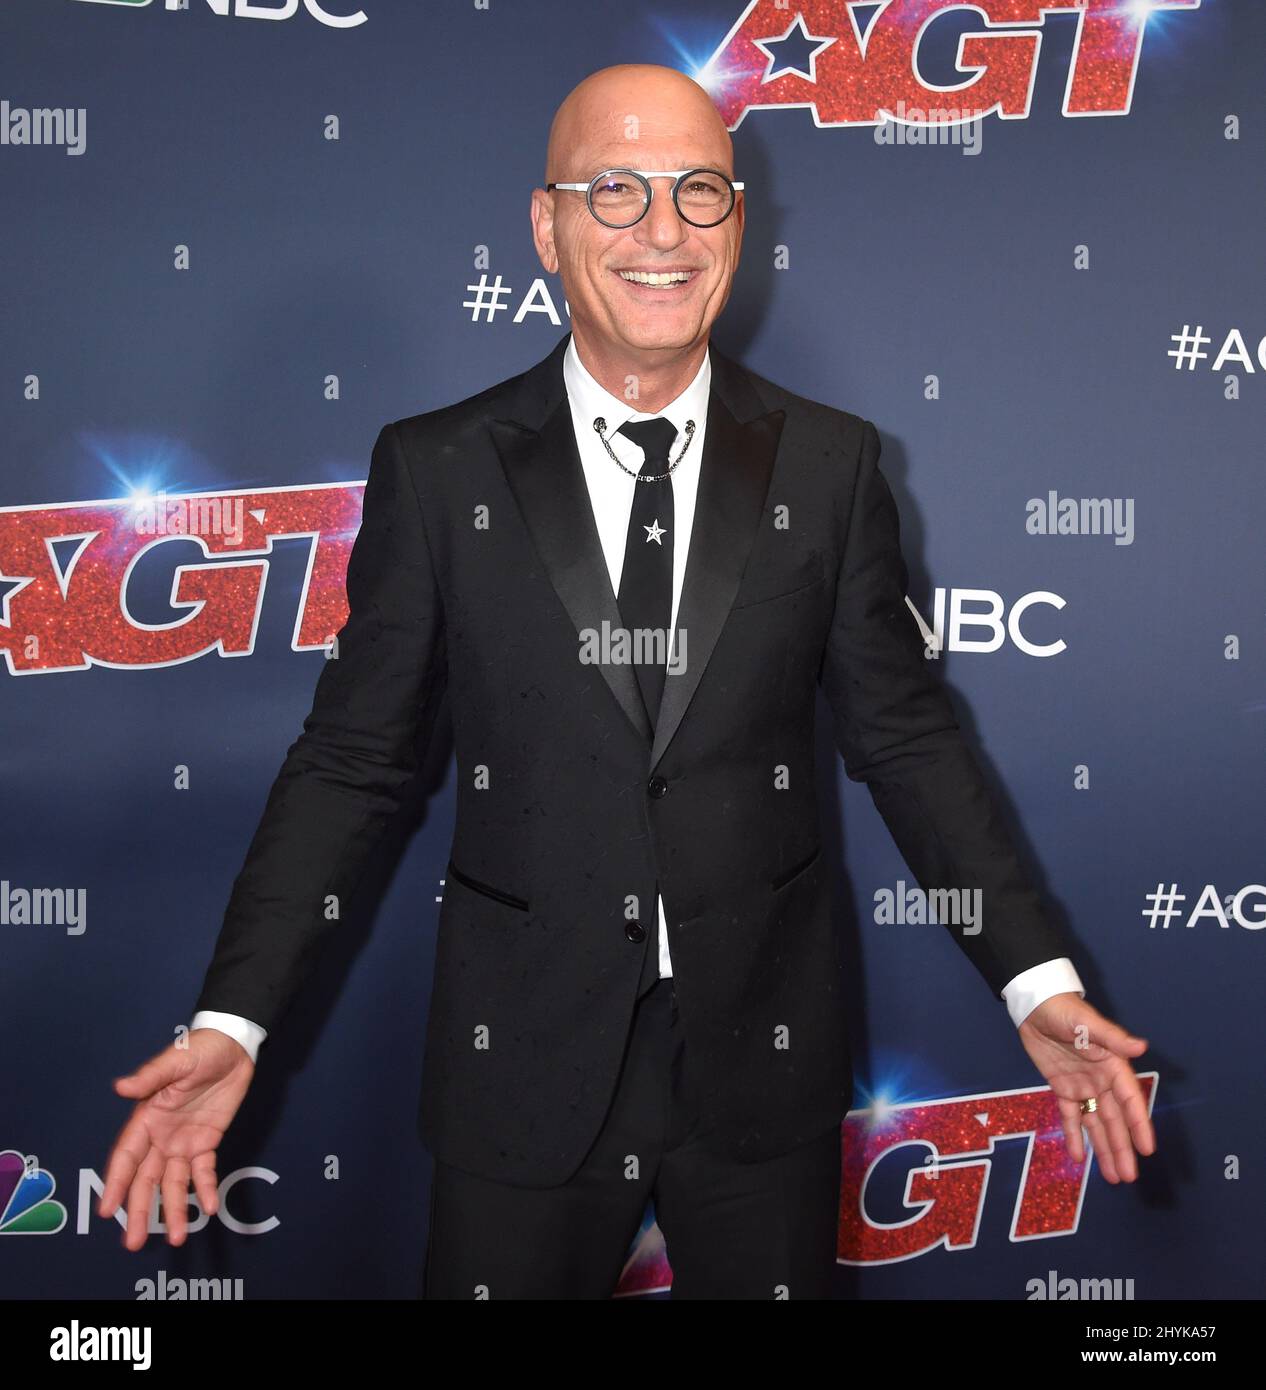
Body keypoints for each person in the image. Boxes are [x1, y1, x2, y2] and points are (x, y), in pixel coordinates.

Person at [100, 63, 1155, 1299]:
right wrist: (232, 1022)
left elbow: (910, 741)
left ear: (739, 226)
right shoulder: (441, 471)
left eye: (699, 192)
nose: (664, 231)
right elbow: (354, 761)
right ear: (545, 228)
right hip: (521, 1061)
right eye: (617, 190)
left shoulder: (831, 466)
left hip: (762, 1061)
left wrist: (1039, 982)